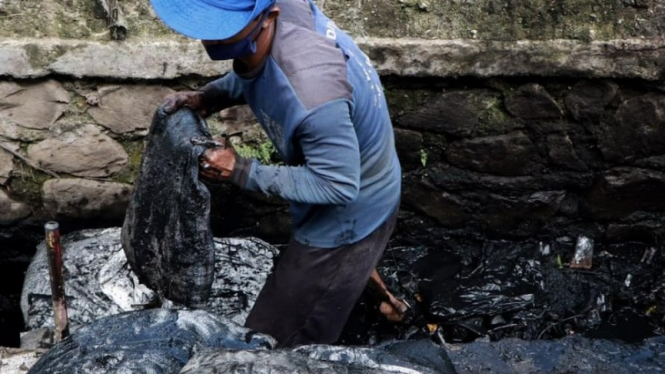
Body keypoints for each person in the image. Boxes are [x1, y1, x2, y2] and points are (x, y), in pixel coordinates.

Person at [151, 0, 407, 347]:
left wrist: (240, 169)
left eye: (222, 25)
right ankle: (390, 305)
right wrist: (210, 97)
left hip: (354, 208)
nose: (206, 37)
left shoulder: (314, 92)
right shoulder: (286, 13)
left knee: (269, 341)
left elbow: (337, 186)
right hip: (363, 166)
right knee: (345, 271)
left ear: (268, 17)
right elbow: (261, 69)